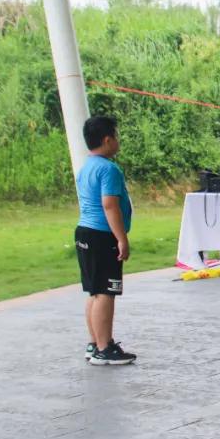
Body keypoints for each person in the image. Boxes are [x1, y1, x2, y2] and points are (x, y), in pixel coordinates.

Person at [75, 115, 136, 365]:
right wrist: (121, 239)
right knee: (106, 293)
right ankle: (104, 347)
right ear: (108, 139)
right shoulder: (109, 169)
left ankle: (95, 343)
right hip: (102, 236)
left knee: (95, 291)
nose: (118, 141)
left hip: (84, 233)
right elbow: (110, 206)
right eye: (116, 136)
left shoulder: (86, 166)